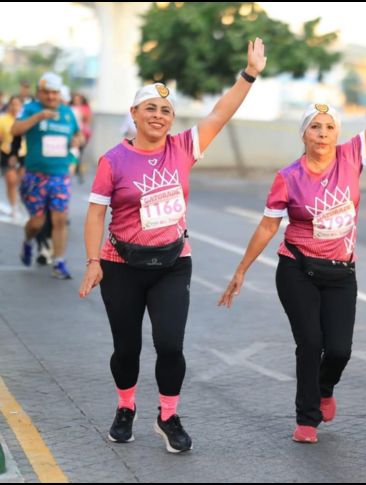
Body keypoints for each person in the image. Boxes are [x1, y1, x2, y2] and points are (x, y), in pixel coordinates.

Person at [219, 41, 366, 444]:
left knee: (340, 350)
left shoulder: (351, 157)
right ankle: (306, 418)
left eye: (329, 127)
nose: (323, 133)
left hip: (341, 271)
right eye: (315, 127)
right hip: (298, 268)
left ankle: (325, 389)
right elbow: (265, 227)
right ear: (304, 134)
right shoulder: (288, 177)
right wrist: (241, 270)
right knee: (310, 342)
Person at [77, 37, 267, 453]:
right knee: (127, 347)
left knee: (169, 343)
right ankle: (126, 407)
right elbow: (95, 214)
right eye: (151, 108)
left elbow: (221, 112)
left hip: (172, 262)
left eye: (166, 110)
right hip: (121, 264)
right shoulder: (112, 160)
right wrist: (93, 261)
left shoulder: (183, 148)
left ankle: (167, 415)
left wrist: (249, 74)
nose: (159, 116)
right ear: (134, 115)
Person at [11, 72, 82, 278]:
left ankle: (58, 262)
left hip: (60, 175)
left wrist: (77, 141)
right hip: (35, 176)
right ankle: (28, 241)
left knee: (60, 219)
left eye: (55, 93)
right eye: (47, 93)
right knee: (36, 222)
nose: (51, 97)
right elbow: (15, 129)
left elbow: (77, 134)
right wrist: (39, 117)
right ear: (39, 92)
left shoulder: (67, 113)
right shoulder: (30, 109)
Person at [0, 96, 26, 219]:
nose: (15, 106)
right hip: (7, 152)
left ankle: (19, 201)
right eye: (13, 104)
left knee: (21, 181)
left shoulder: (25, 119)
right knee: (11, 180)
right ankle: (14, 207)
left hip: (23, 153)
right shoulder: (3, 119)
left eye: (18, 104)